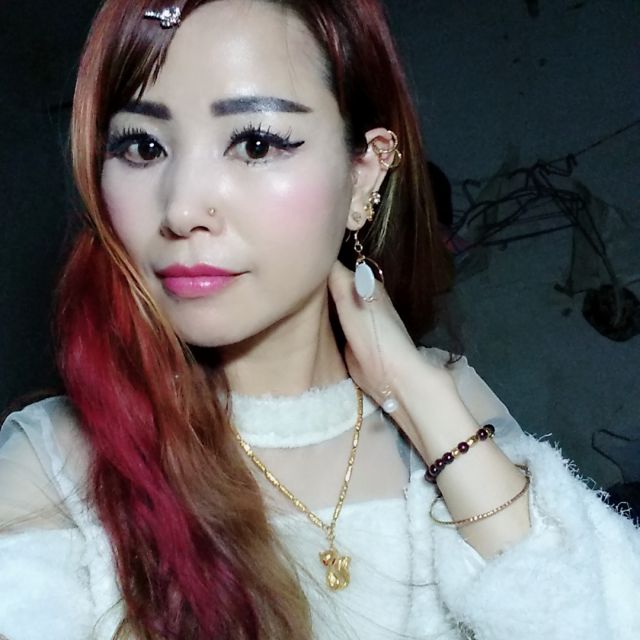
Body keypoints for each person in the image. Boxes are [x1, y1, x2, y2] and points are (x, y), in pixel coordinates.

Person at [0, 1, 638, 638]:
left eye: (255, 143)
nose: (182, 208)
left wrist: (415, 392)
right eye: (143, 146)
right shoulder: (53, 463)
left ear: (364, 174)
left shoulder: (448, 402)